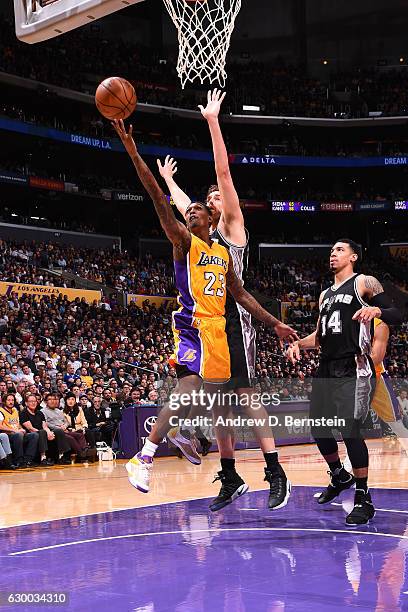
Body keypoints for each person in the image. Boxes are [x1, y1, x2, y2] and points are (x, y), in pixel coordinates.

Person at [112, 118, 297, 497]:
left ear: (212, 219)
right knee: (189, 391)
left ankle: (184, 435)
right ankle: (145, 456)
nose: (192, 210)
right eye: (190, 209)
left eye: (199, 208)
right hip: (193, 326)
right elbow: (158, 197)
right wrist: (134, 151)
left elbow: (242, 296)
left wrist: (274, 323)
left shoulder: (221, 253)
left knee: (210, 400)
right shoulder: (183, 240)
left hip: (218, 332)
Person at [157, 89, 292, 511]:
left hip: (235, 317)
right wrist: (169, 182)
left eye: (215, 197)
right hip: (208, 322)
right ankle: (230, 475)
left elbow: (225, 175)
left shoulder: (232, 228)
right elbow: (183, 206)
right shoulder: (201, 234)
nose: (212, 198)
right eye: (208, 197)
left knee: (247, 396)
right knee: (219, 404)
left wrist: (213, 122)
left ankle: (275, 471)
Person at [287, 239, 402, 525]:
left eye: (339, 250)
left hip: (353, 365)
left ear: (353, 256)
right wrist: (299, 344)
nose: (333, 254)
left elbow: (396, 314)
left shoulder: (364, 282)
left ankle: (364, 497)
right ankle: (339, 475)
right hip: (326, 366)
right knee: (318, 428)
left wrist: (377, 311)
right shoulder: (325, 294)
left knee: (350, 431)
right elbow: (320, 336)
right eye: (331, 251)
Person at [370, 320, 408, 452]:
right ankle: (347, 467)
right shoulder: (341, 319)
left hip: (375, 377)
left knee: (395, 422)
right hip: (350, 378)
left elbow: (377, 357)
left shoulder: (377, 324)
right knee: (350, 426)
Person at [41, 393, 88, 463]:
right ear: (46, 401)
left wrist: (64, 426)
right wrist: (58, 427)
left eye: (54, 399)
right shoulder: (43, 411)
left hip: (64, 429)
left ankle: (85, 450)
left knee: (80, 435)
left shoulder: (59, 411)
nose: (52, 401)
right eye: (49, 399)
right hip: (55, 431)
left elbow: (67, 422)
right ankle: (81, 454)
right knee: (71, 438)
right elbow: (45, 423)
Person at [0, 393, 38, 467]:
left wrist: (21, 428)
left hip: (17, 432)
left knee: (34, 435)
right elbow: (0, 426)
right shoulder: (1, 411)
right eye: (9, 400)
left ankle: (28, 460)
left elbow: (17, 423)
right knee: (18, 435)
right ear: (4, 401)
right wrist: (14, 430)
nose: (11, 402)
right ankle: (19, 460)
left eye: (12, 400)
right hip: (8, 434)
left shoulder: (15, 410)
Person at [20, 394, 57, 466]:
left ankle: (59, 457)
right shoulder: (23, 413)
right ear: (26, 403)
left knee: (57, 431)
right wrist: (44, 433)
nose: (33, 403)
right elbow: (30, 428)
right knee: (42, 432)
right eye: (31, 401)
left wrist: (49, 432)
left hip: (41, 432)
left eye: (34, 401)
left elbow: (45, 426)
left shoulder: (40, 413)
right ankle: (43, 457)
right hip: (30, 434)